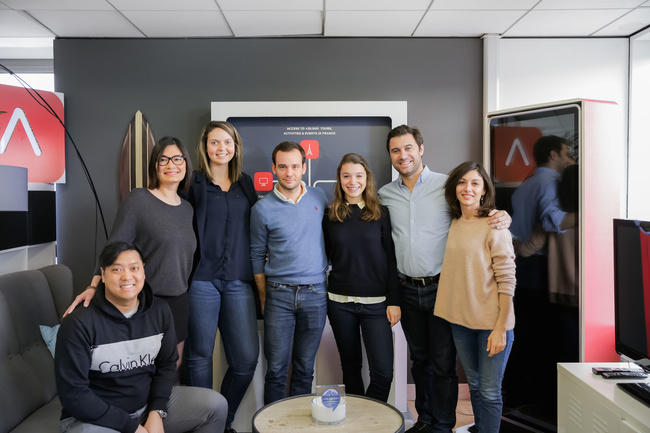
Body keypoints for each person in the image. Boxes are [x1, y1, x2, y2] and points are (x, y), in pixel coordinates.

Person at [378, 125, 510, 433]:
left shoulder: (447, 185)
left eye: (408, 148)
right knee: (420, 361)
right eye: (396, 150)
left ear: (421, 149)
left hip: (444, 288)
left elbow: (475, 211)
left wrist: (501, 215)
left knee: (442, 363)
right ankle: (425, 420)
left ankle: (443, 425)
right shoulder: (385, 194)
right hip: (406, 288)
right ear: (391, 156)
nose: (402, 155)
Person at [55, 241, 227, 433]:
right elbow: (74, 393)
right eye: (117, 269)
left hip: (146, 409)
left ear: (143, 271)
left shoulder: (160, 311)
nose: (127, 276)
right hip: (95, 419)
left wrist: (156, 412)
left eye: (134, 268)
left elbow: (167, 365)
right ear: (102, 274)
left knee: (215, 406)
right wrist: (132, 427)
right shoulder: (79, 322)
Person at [65, 137, 196, 374]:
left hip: (179, 301)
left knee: (174, 367)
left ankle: (165, 402)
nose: (171, 165)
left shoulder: (187, 209)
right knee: (143, 370)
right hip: (147, 300)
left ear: (186, 164)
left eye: (178, 159)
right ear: (155, 165)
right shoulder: (139, 199)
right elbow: (113, 247)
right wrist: (94, 286)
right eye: (164, 159)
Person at [184, 121, 259, 433]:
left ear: (235, 146)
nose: (221, 148)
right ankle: (201, 426)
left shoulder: (245, 183)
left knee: (246, 360)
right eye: (214, 142)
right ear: (205, 147)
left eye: (227, 142)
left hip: (239, 280)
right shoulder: (193, 183)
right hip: (202, 279)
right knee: (199, 357)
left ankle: (221, 421)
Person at [434, 161, 516, 433]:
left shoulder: (494, 224)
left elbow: (507, 280)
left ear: (484, 191)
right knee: (476, 386)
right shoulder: (454, 221)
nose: (467, 188)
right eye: (462, 182)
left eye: (474, 183)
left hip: (492, 324)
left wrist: (501, 328)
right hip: (461, 322)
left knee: (490, 392)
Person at [249, 141, 329, 405]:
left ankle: (299, 423)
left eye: (295, 166)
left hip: (316, 293)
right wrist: (264, 297)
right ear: (273, 168)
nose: (289, 173)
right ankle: (272, 423)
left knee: (305, 368)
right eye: (283, 167)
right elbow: (256, 256)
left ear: (304, 168)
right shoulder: (261, 209)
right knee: (276, 370)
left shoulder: (319, 197)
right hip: (278, 295)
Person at [322, 153, 400, 403]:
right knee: (351, 368)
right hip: (339, 303)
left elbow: (391, 259)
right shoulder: (330, 215)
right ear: (339, 180)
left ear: (367, 178)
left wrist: (394, 301)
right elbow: (322, 254)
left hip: (376, 305)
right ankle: (357, 420)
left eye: (358, 175)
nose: (352, 181)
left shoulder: (381, 214)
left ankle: (371, 418)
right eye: (346, 176)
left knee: (383, 374)